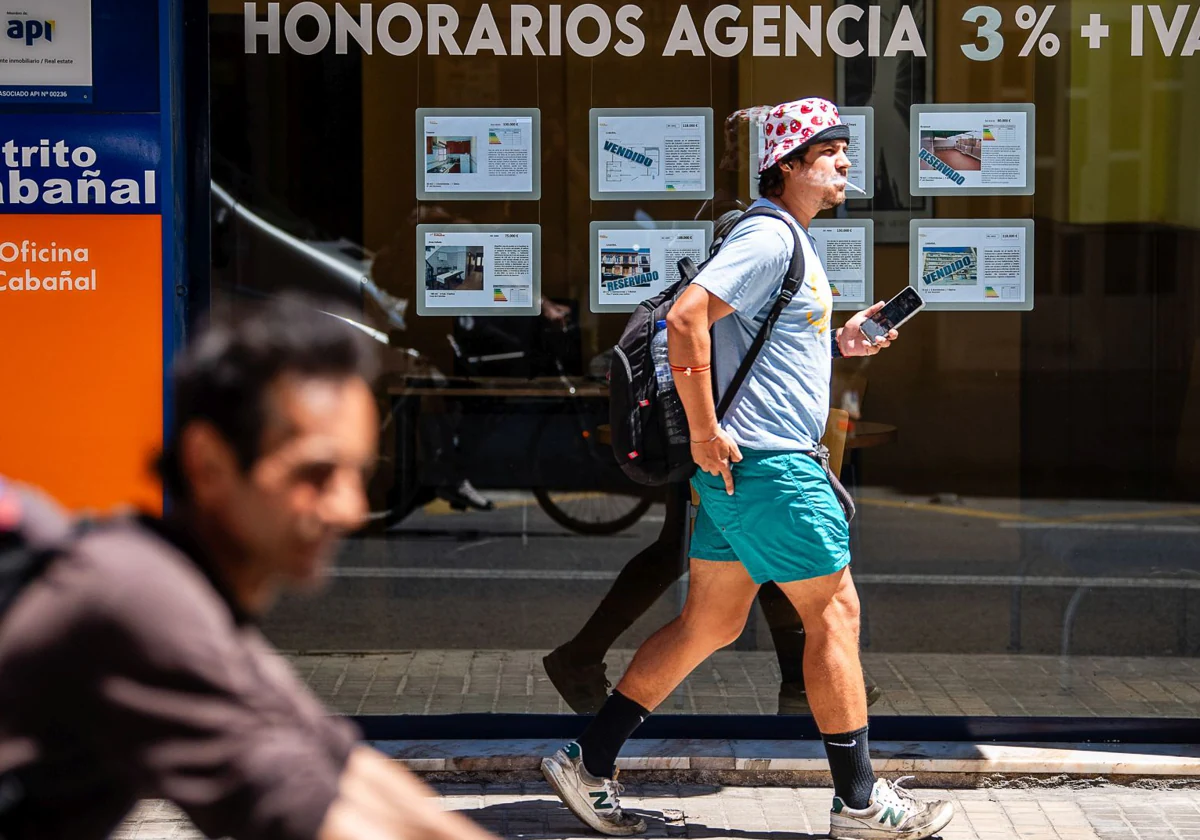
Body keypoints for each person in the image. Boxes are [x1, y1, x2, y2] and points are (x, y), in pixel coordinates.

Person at [539, 98, 954, 840]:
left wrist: (843, 341)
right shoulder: (768, 236)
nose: (843, 165)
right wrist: (702, 433)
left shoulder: (784, 240)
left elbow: (758, 345)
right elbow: (686, 318)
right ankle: (861, 804)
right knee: (836, 613)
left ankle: (588, 763)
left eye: (842, 152)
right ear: (789, 164)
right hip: (769, 467)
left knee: (710, 623)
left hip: (747, 469)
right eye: (828, 153)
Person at [0, 297, 497, 840]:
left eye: (359, 474)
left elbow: (345, 772)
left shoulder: (190, 597)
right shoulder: (136, 602)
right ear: (209, 463)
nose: (349, 509)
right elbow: (325, 818)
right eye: (315, 474)